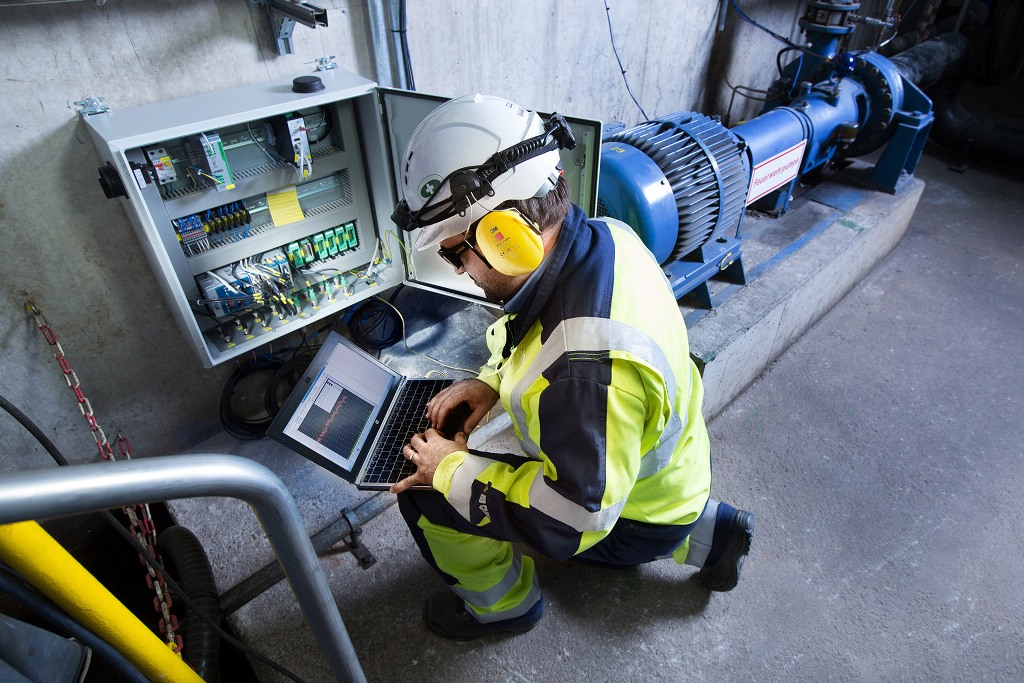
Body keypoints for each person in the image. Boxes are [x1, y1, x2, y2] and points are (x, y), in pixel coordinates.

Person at [389, 93, 755, 640]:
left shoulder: (587, 374)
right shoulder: (605, 237)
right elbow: (538, 335)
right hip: (671, 480)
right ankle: (711, 533)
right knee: (543, 462)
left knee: (422, 491)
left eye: (453, 252)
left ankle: (503, 608)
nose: (460, 270)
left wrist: (447, 469)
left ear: (503, 237)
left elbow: (568, 520)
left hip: (619, 514)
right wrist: (489, 382)